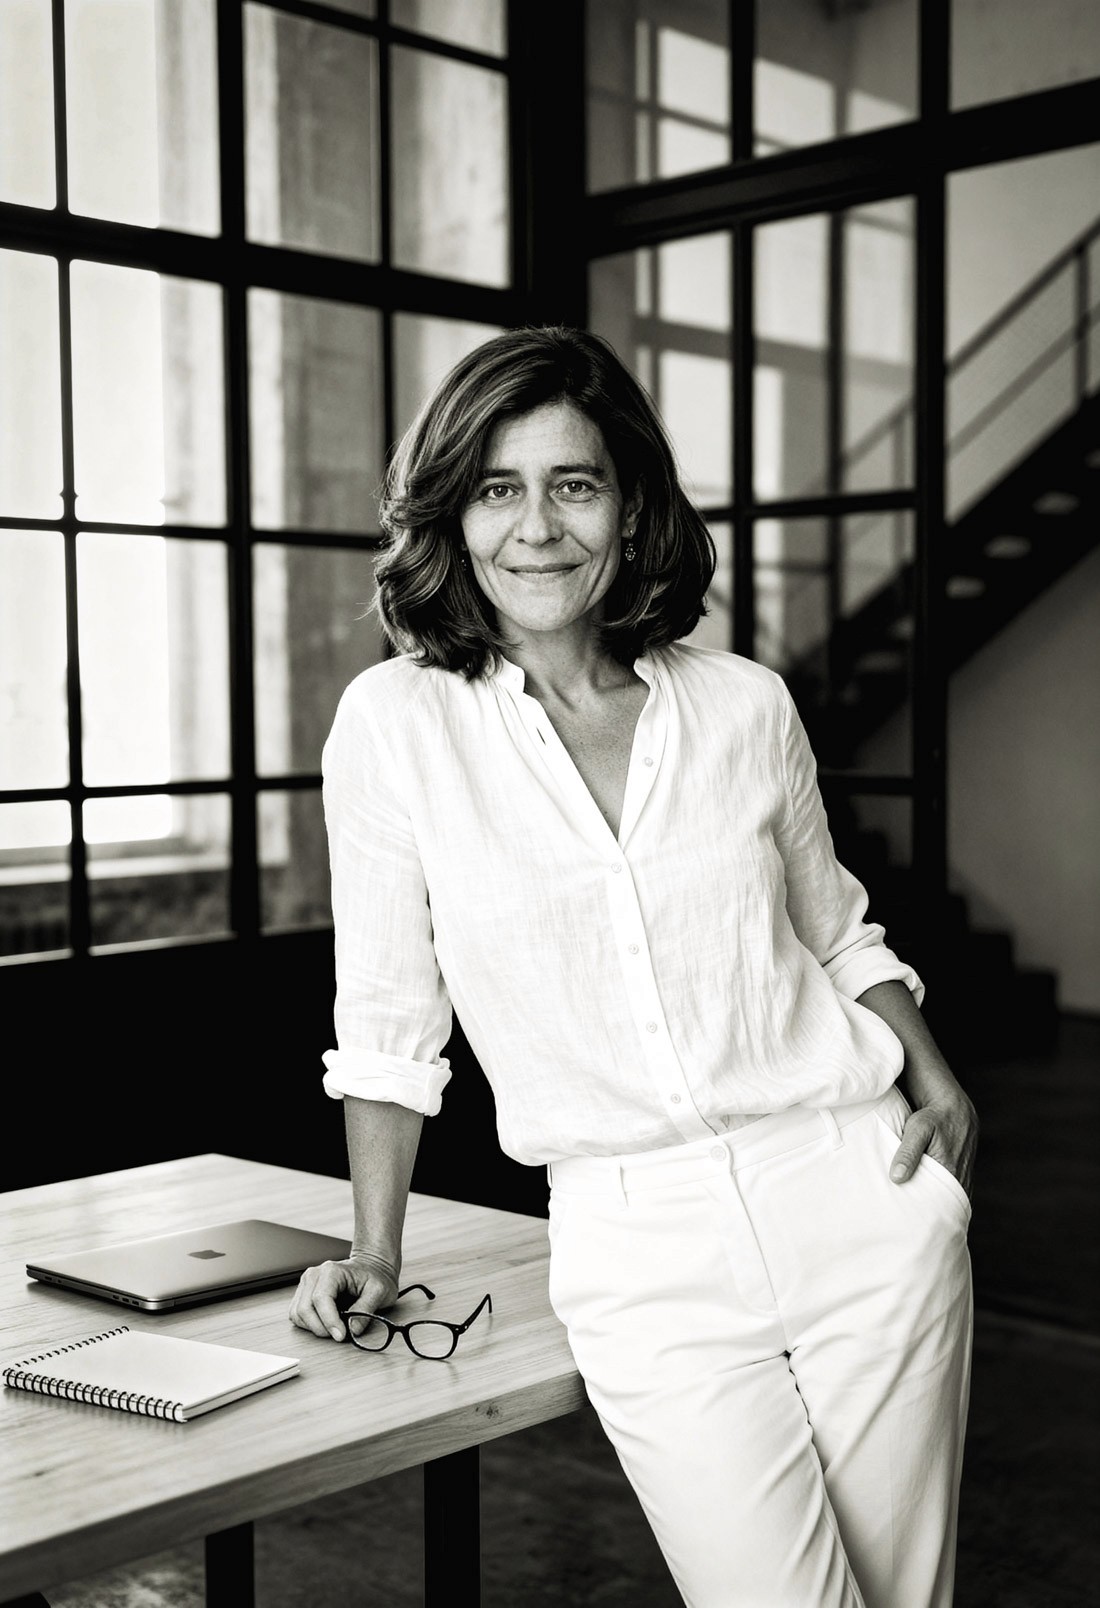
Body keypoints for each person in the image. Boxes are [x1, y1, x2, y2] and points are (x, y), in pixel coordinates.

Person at [289, 325, 978, 1608]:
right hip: (636, 1246)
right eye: (496, 489)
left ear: (629, 505)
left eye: (574, 484)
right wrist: (373, 1252)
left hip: (857, 1192)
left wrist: (933, 1084)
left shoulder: (743, 705)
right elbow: (386, 1019)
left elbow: (833, 928)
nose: (536, 528)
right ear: (451, 515)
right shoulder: (394, 727)